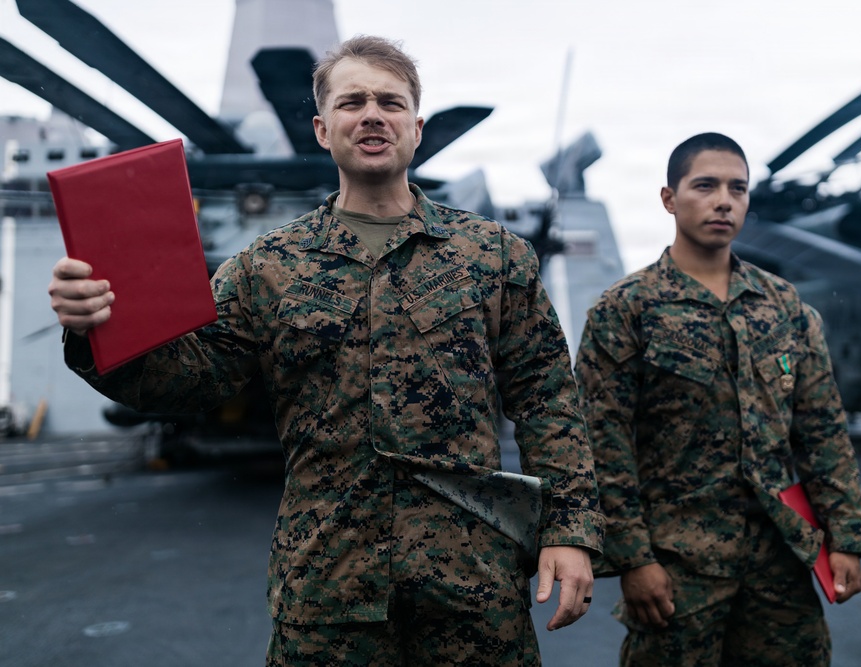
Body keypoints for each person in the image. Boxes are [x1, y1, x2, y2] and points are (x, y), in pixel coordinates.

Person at [49, 35, 603, 666]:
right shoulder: (268, 265)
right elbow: (190, 381)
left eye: (391, 102)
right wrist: (97, 327)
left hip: (471, 591)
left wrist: (569, 529)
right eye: (352, 102)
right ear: (321, 128)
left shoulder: (494, 256)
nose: (372, 114)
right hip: (328, 594)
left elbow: (548, 397)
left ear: (416, 129)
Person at [574, 132, 861, 666]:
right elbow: (603, 445)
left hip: (779, 560)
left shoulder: (783, 305)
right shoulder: (627, 310)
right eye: (705, 185)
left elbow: (823, 430)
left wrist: (845, 537)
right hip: (677, 564)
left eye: (738, 188)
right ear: (669, 198)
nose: (723, 201)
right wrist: (633, 559)